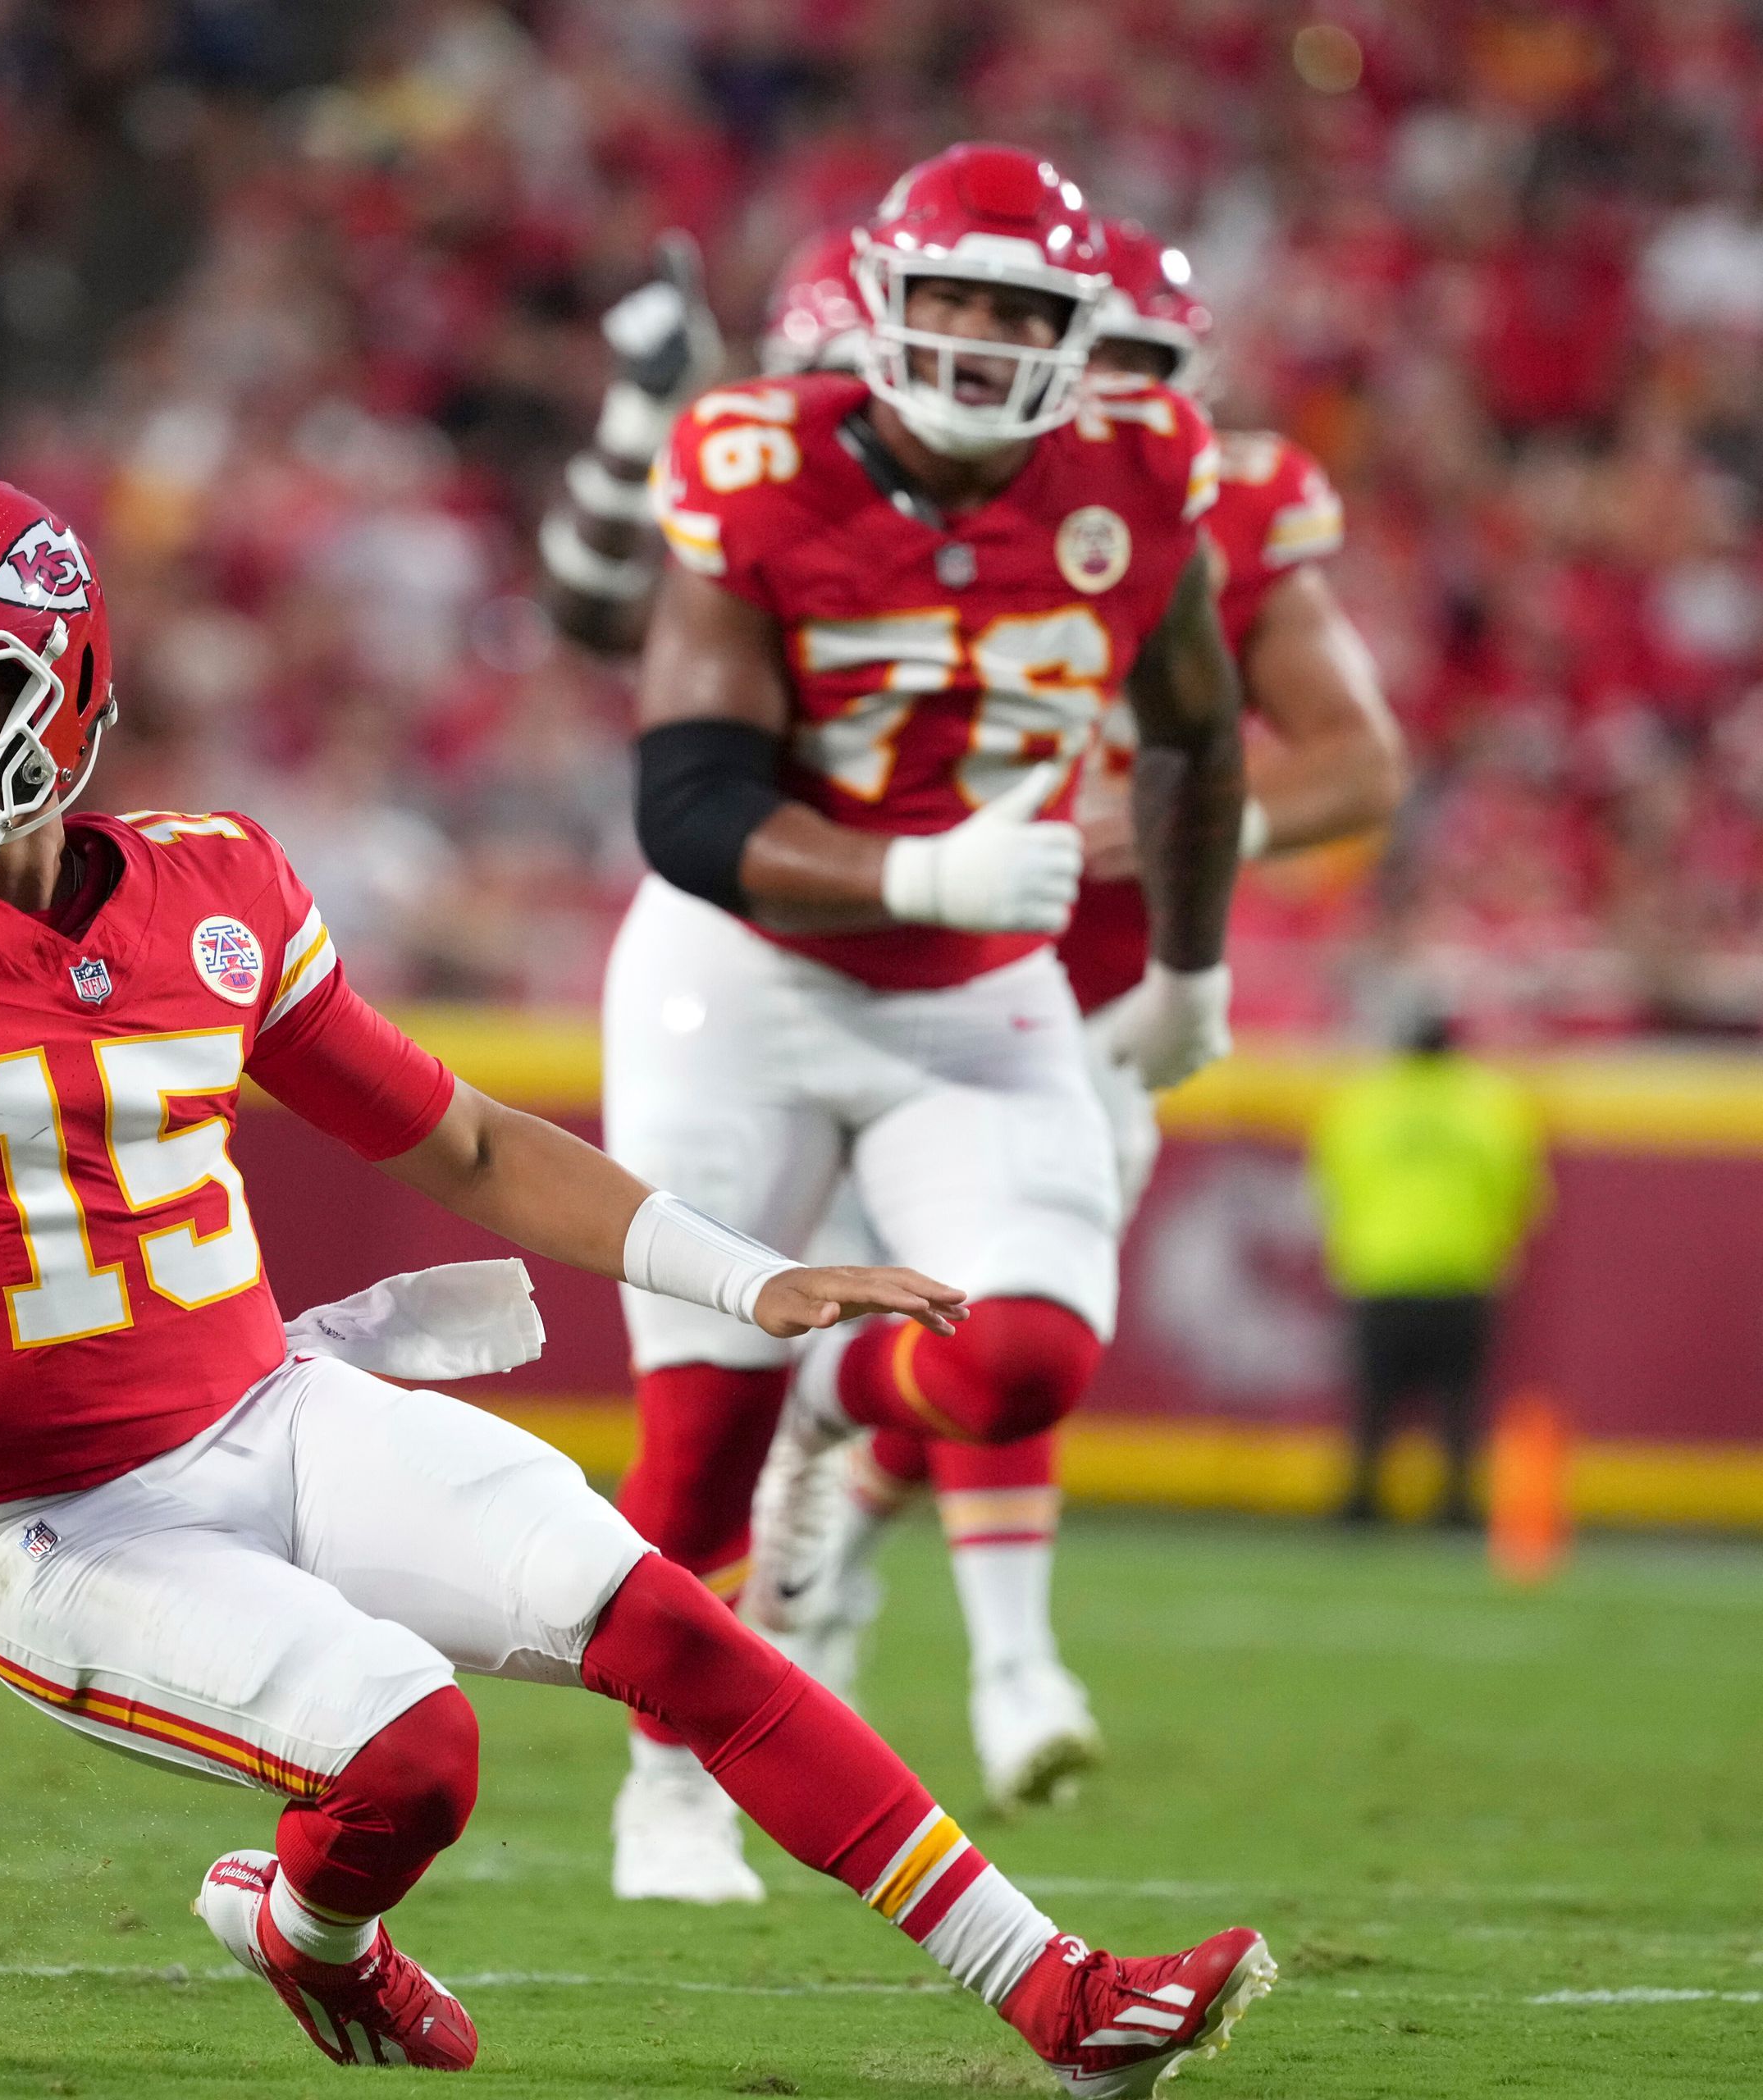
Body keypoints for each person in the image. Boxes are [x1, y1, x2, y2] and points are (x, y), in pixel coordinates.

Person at [0, 472, 1278, 2086]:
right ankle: (311, 1923)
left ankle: (1056, 1993)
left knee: (674, 1622)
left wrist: (746, 1273)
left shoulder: (209, 882)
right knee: (413, 1752)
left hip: (268, 1408)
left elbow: (454, 1136)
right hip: (49, 1524)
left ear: (61, 688)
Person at [540, 144, 1249, 1899]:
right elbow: (688, 797)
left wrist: (1192, 965)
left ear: (1083, 334)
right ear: (884, 298)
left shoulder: (1140, 472)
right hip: (739, 974)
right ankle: (670, 1788)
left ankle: (843, 1381)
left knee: (1027, 1358)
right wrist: (919, 877)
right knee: (695, 1444)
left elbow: (1198, 727)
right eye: (953, 297)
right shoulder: (756, 458)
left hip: (970, 1003)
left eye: (1024, 307)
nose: (985, 336)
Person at [774, 217, 1409, 1806]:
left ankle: (850, 1516)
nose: (1105, 399)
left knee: (1006, 1341)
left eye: (1141, 369)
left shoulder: (1212, 507)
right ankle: (999, 1655)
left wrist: (1185, 825)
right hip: (874, 976)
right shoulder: (874, 476)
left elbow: (1357, 763)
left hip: (1095, 999)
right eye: (1092, 358)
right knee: (942, 1319)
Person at [1309, 1007, 1551, 1527]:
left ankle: (1361, 1505)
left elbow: (1332, 1179)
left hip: (1381, 1269)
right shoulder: (1491, 1103)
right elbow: (1520, 1188)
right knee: (1458, 1401)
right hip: (1462, 1272)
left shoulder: (1364, 1101)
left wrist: (1356, 1240)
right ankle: (1457, 1507)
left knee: (1373, 1402)